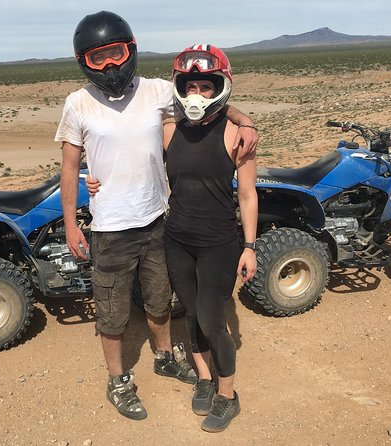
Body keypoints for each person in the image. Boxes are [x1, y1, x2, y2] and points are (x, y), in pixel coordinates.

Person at [56, 11, 259, 421]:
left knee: (160, 302)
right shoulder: (77, 103)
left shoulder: (155, 92)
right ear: (84, 62)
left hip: (157, 222)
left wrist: (244, 119)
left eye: (116, 54)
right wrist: (72, 220)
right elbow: (69, 166)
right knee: (112, 311)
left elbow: (207, 101)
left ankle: (168, 358)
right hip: (112, 227)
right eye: (99, 58)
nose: (110, 65)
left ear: (130, 50)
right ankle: (119, 380)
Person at [163, 44, 258, 432]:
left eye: (206, 86)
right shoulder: (169, 129)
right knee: (190, 313)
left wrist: (250, 246)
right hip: (177, 239)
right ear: (180, 89)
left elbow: (248, 194)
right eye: (191, 86)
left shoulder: (239, 135)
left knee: (214, 320)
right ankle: (204, 377)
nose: (197, 95)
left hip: (219, 242)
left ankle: (228, 395)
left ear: (220, 85)